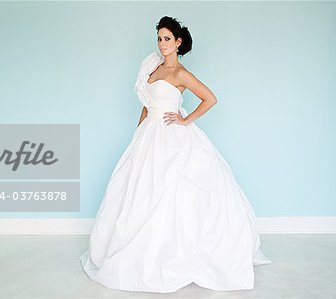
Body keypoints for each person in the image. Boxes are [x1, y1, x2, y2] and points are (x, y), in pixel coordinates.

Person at [78, 15, 272, 293]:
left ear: (178, 42)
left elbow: (210, 98)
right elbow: (146, 104)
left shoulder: (181, 74)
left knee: (174, 190)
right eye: (159, 38)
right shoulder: (152, 68)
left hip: (173, 136)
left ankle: (176, 253)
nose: (162, 44)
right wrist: (138, 133)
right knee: (140, 191)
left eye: (167, 39)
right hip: (148, 135)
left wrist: (185, 119)